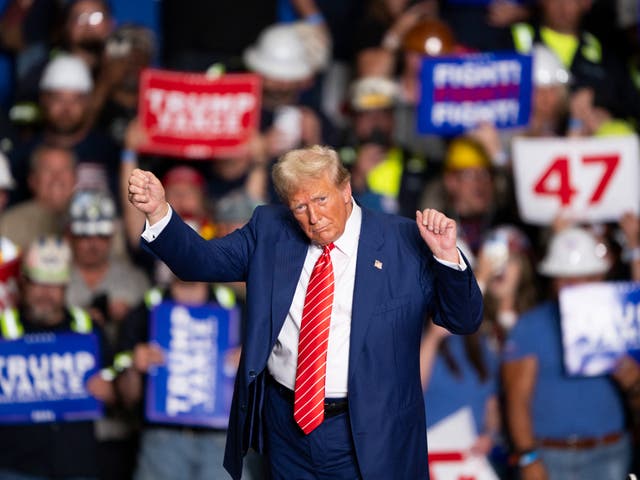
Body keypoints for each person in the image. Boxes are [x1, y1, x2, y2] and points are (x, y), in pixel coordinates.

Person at [127, 144, 483, 479]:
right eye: (299, 207)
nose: (313, 217)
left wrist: (447, 257)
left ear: (346, 190)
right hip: (287, 427)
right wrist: (159, 212)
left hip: (371, 429)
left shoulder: (403, 241)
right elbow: (200, 262)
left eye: (321, 199)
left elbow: (462, 319)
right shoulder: (270, 231)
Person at [503, 226, 632, 480]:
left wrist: (632, 379)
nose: (573, 285)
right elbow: (517, 398)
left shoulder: (619, 319)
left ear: (599, 277)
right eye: (564, 277)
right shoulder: (531, 325)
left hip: (611, 452)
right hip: (552, 456)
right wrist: (528, 457)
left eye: (583, 276)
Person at [0, 235, 115, 479]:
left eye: (54, 285)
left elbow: (117, 383)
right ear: (23, 283)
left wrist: (110, 389)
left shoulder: (88, 327)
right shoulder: (2, 328)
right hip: (15, 465)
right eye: (38, 283)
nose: (46, 293)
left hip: (76, 463)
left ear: (65, 286)